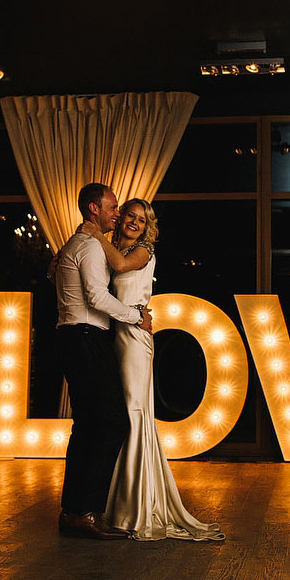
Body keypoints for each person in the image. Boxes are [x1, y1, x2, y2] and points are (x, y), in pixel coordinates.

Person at [80, 198, 224, 542]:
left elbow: (122, 266)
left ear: (148, 228)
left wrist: (96, 235)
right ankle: (117, 499)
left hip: (134, 336)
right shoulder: (113, 247)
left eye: (141, 221)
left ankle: (135, 504)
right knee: (120, 411)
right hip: (118, 331)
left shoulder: (142, 251)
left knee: (133, 411)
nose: (134, 223)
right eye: (129, 216)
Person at [54, 183, 152, 540]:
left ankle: (73, 511)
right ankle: (87, 512)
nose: (117, 213)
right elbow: (96, 297)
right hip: (85, 337)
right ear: (94, 209)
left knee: (86, 425)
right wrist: (135, 315)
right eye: (112, 207)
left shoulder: (77, 244)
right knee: (112, 423)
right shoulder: (92, 247)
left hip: (73, 337)